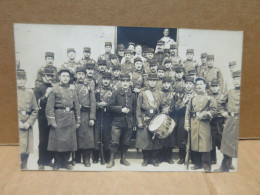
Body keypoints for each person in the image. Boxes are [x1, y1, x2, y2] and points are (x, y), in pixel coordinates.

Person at [46, 68, 81, 170]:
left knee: (69, 142)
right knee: (58, 142)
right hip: (58, 118)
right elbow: (49, 107)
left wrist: (78, 120)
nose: (65, 78)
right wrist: (52, 120)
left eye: (67, 76)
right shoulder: (54, 90)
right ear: (59, 77)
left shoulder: (72, 91)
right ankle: (57, 163)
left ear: (69, 78)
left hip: (70, 118)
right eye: (63, 76)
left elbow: (77, 107)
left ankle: (65, 162)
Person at [184, 77, 217, 172]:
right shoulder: (192, 97)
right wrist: (186, 124)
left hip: (204, 124)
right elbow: (188, 111)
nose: (198, 86)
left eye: (201, 84)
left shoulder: (209, 98)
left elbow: (214, 111)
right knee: (194, 144)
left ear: (205, 85)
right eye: (197, 84)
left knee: (205, 144)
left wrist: (205, 114)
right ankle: (197, 163)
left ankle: (206, 165)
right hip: (193, 123)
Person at [135, 74, 167, 167]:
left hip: (156, 119)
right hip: (145, 118)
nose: (152, 82)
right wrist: (139, 121)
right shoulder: (142, 93)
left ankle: (154, 159)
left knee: (156, 141)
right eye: (150, 80)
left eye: (154, 80)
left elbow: (164, 105)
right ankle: (145, 159)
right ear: (148, 81)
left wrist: (165, 110)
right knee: (145, 139)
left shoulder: (160, 93)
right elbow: (138, 108)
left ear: (156, 82)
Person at [106, 73, 136, 168]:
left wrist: (134, 123)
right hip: (117, 122)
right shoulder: (116, 93)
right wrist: (120, 109)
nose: (125, 83)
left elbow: (135, 110)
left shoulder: (133, 95)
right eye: (123, 81)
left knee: (126, 142)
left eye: (127, 81)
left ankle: (123, 159)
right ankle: (111, 160)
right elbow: (109, 107)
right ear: (121, 82)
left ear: (130, 83)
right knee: (114, 142)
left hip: (129, 122)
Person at [214, 70, 241, 172]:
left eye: (238, 78)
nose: (236, 81)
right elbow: (220, 103)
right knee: (227, 146)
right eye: (234, 79)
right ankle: (224, 167)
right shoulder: (230, 92)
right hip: (230, 121)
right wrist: (223, 112)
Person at [34, 66, 56, 170]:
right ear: (43, 76)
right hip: (43, 117)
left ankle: (48, 160)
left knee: (51, 140)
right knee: (43, 140)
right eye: (48, 75)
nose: (50, 78)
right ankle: (41, 162)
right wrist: (46, 94)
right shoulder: (38, 88)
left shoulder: (55, 87)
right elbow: (37, 104)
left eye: (51, 76)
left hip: (53, 117)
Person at [17, 69, 39, 170]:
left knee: (26, 148)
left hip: (27, 123)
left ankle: (24, 166)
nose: (21, 81)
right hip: (16, 125)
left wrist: (29, 122)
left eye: (23, 79)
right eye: (19, 79)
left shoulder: (30, 93)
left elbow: (35, 110)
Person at [75, 67, 96, 167]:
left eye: (82, 74)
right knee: (76, 137)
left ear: (85, 75)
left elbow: (93, 102)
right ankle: (77, 158)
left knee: (87, 138)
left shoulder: (89, 87)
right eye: (79, 74)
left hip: (86, 115)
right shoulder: (73, 87)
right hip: (76, 115)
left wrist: (92, 117)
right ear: (76, 75)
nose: (80, 76)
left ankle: (86, 159)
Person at [93, 72, 113, 164]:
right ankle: (95, 157)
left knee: (107, 137)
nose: (106, 81)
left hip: (108, 117)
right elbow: (93, 102)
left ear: (110, 81)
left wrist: (107, 105)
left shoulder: (113, 92)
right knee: (97, 136)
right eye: (104, 79)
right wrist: (98, 104)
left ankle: (106, 156)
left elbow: (115, 103)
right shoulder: (97, 91)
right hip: (98, 115)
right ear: (102, 80)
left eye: (107, 79)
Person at [174, 77, 194, 164]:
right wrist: (184, 101)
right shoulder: (181, 95)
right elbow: (176, 107)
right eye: (187, 84)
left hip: (193, 118)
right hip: (182, 117)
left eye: (190, 84)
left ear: (193, 85)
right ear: (184, 84)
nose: (188, 86)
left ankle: (193, 157)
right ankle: (182, 157)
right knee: (181, 137)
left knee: (192, 137)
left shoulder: (196, 94)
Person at [159, 77, 176, 164]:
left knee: (170, 138)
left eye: (168, 83)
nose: (166, 85)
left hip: (170, 117)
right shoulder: (159, 93)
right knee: (161, 137)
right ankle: (161, 157)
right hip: (161, 117)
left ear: (170, 84)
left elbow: (176, 106)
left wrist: (170, 110)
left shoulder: (173, 94)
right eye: (164, 83)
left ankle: (168, 157)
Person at [208, 79, 225, 165]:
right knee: (212, 140)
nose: (214, 88)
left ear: (219, 87)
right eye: (212, 86)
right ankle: (212, 159)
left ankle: (227, 161)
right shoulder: (208, 96)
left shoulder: (223, 96)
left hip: (221, 120)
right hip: (212, 121)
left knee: (223, 141)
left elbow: (225, 108)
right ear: (210, 87)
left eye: (216, 86)